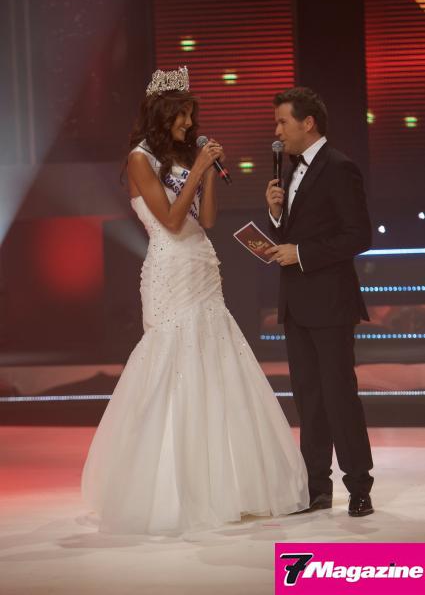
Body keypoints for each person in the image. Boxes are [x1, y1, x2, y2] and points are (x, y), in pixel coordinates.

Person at [81, 67, 309, 536]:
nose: (189, 124)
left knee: (215, 356)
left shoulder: (181, 159)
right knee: (172, 359)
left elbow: (204, 220)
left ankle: (230, 484)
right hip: (170, 272)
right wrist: (200, 169)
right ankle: (170, 488)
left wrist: (207, 175)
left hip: (202, 267)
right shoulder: (140, 159)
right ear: (162, 115)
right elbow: (168, 220)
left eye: (190, 116)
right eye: (183, 116)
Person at [265, 87, 374, 517]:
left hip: (330, 302)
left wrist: (302, 254)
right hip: (296, 303)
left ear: (307, 122)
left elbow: (358, 235)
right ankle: (316, 489)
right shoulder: (290, 170)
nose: (277, 132)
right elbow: (294, 233)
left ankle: (359, 486)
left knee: (339, 396)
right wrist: (276, 216)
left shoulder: (339, 167)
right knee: (308, 399)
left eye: (282, 122)